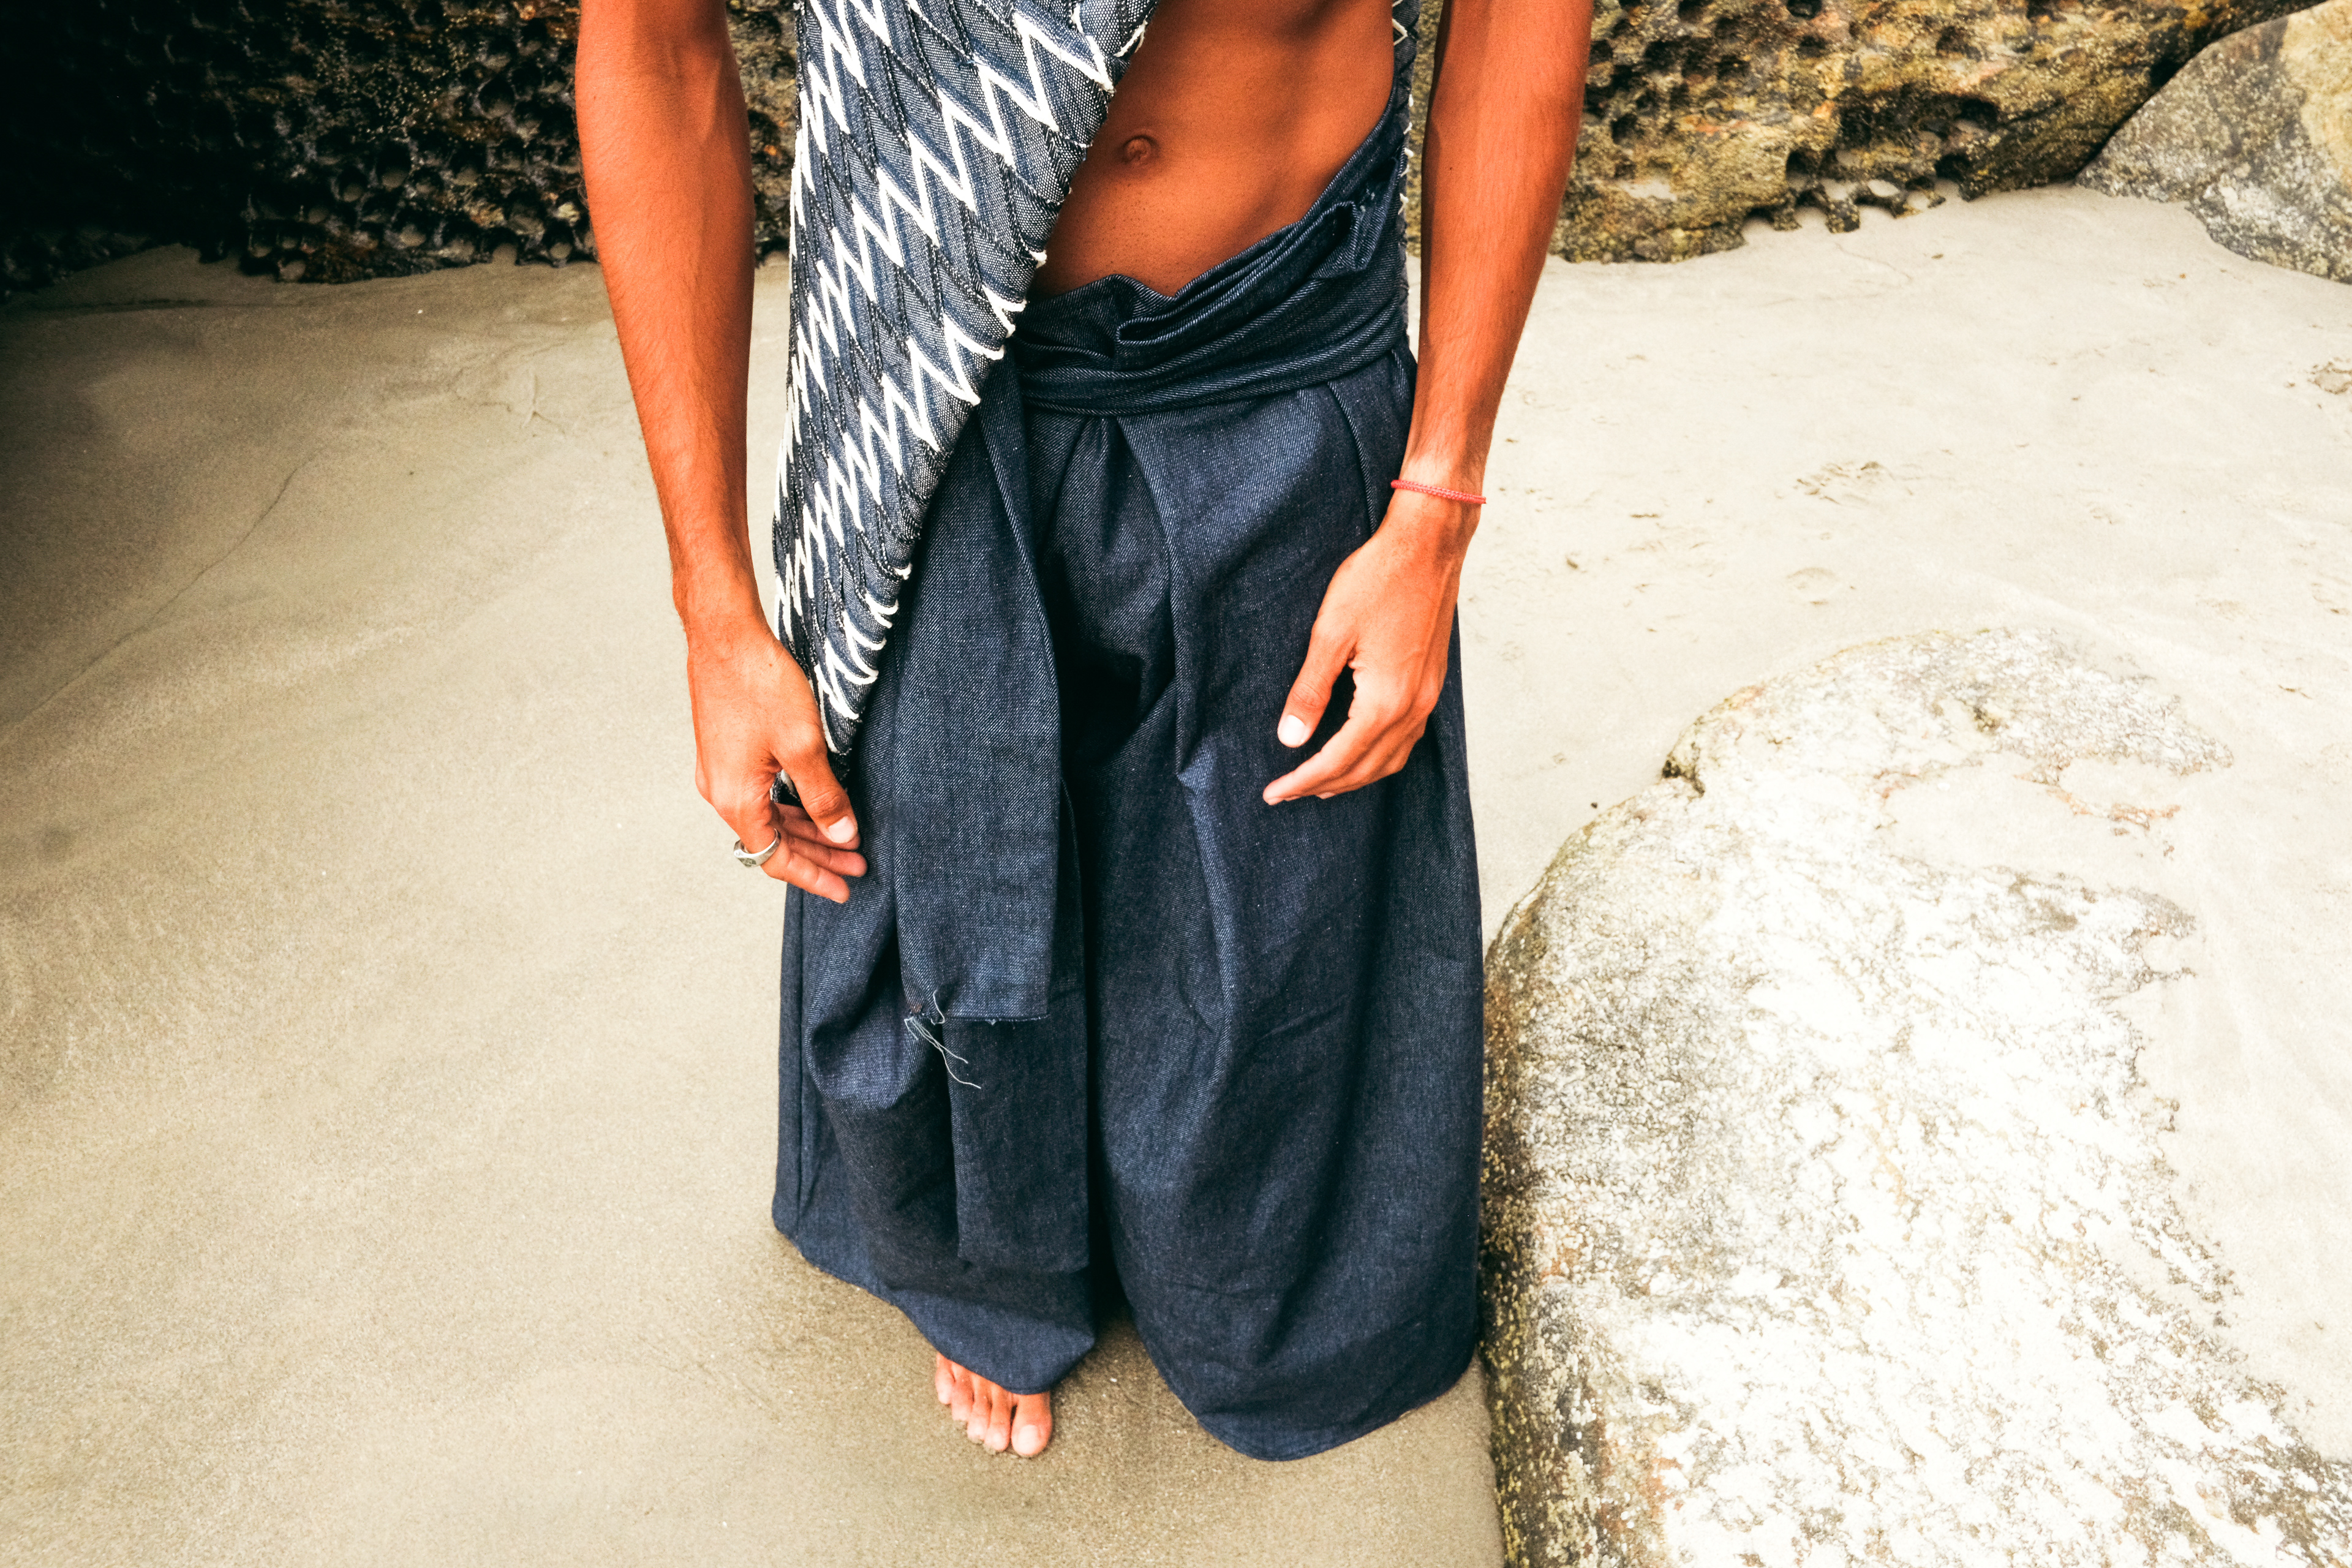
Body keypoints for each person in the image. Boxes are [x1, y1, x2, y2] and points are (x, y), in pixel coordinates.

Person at [578, 0, 1589, 1461]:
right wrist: (716, 610)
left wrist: (1434, 503)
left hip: (1280, 344)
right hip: (936, 379)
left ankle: (1197, 1238)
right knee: (944, 884)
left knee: (1286, 1026)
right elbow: (653, 46)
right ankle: (986, 1250)